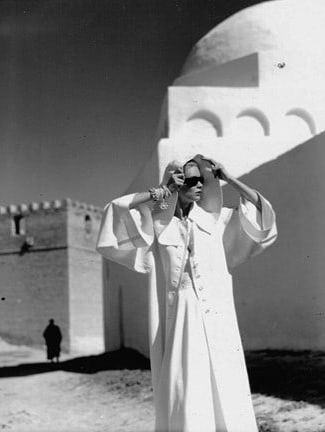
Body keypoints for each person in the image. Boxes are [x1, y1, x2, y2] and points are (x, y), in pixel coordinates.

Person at [96, 154, 277, 432]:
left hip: (218, 322)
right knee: (187, 389)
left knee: (225, 388)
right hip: (180, 323)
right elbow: (114, 211)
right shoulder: (157, 227)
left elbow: (262, 213)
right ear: (177, 182)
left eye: (202, 180)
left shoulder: (217, 222)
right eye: (191, 180)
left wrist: (228, 178)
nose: (200, 186)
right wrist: (161, 191)